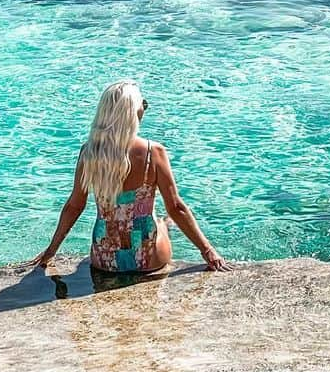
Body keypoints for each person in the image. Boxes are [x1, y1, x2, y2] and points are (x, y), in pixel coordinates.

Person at [32, 79, 226, 274]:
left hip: (104, 259)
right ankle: (164, 224)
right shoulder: (153, 152)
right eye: (144, 104)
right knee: (164, 220)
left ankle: (161, 224)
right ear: (133, 112)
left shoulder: (89, 152)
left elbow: (74, 206)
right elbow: (176, 207)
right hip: (147, 259)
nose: (144, 108)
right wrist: (208, 251)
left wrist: (51, 251)